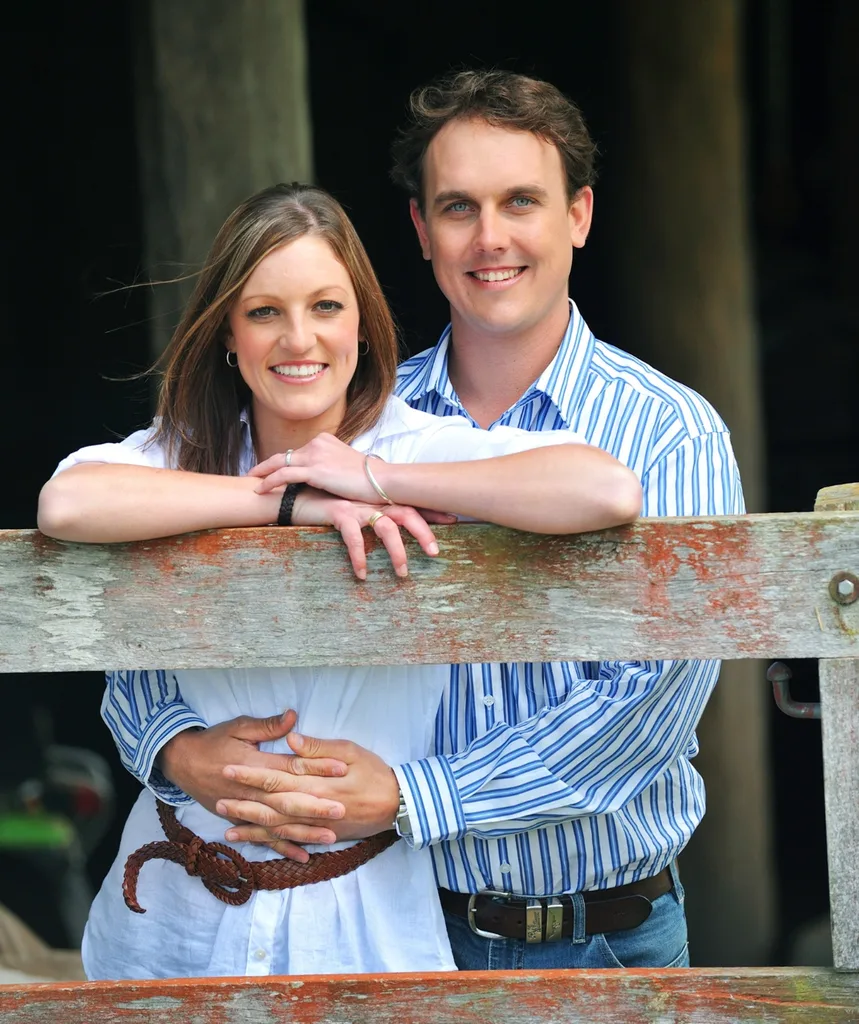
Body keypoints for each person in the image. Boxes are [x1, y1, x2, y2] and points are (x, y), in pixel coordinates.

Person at [93, 69, 744, 972]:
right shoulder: (345, 411)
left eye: (520, 201)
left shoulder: (667, 434)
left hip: (600, 931)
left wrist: (411, 794)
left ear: (579, 216)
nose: (490, 238)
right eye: (456, 207)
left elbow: (646, 712)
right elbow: (154, 612)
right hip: (395, 918)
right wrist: (173, 746)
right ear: (420, 232)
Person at [37, 181, 641, 979]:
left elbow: (604, 491)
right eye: (264, 312)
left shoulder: (414, 446)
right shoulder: (180, 452)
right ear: (227, 330)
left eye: (325, 307)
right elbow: (66, 501)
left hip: (360, 909)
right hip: (175, 914)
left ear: (362, 320)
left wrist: (374, 479)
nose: (298, 340)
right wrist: (286, 503)